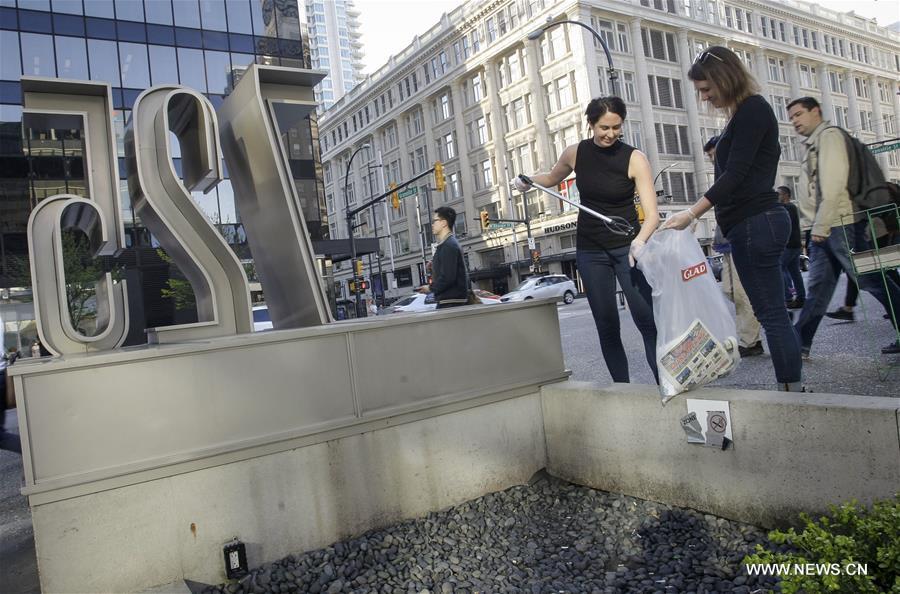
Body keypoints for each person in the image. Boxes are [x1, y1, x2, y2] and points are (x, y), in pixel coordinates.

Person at [663, 46, 803, 391]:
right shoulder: (746, 112)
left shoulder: (753, 109)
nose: (704, 97)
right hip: (755, 222)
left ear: (724, 78)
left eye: (706, 88)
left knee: (771, 314)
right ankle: (793, 389)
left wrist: (692, 212)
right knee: (771, 313)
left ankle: (793, 393)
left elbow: (736, 174)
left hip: (756, 222)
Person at [514, 96, 660, 383]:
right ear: (591, 124)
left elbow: (653, 215)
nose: (611, 134)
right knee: (607, 325)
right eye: (604, 127)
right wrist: (527, 180)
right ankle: (623, 390)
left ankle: (664, 386)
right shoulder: (575, 153)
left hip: (628, 248)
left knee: (647, 321)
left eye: (616, 127)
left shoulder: (635, 159)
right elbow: (551, 178)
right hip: (591, 251)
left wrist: (640, 241)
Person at [787, 96, 900, 355]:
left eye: (799, 114)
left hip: (840, 224)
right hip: (828, 226)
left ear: (816, 111)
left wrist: (820, 226)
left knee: (873, 281)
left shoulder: (829, 138)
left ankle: (798, 343)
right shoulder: (814, 143)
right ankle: (798, 343)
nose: (794, 121)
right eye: (791, 117)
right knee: (818, 289)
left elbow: (834, 185)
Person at [706, 137, 763, 357]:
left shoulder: (735, 172)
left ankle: (750, 340)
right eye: (710, 156)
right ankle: (763, 316)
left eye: (714, 154)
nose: (713, 159)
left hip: (740, 239)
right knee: (730, 290)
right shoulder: (722, 174)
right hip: (726, 243)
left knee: (741, 292)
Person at [417, 206, 469, 309]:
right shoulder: (447, 244)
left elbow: (448, 277)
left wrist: (430, 288)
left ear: (444, 223)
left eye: (435, 221)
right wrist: (434, 265)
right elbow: (449, 270)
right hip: (450, 301)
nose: (432, 224)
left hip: (451, 302)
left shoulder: (448, 245)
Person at [777, 186, 806, 309]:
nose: (777, 196)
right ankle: (801, 298)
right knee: (795, 272)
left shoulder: (788, 207)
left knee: (779, 267)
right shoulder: (791, 207)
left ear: (786, 195)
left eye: (778, 194)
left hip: (789, 245)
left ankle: (788, 298)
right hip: (795, 245)